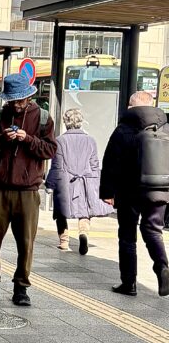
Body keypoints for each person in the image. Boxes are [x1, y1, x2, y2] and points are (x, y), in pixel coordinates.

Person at [0, 72, 57, 306]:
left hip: (28, 191)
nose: (17, 105)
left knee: (26, 242)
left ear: (29, 97)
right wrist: (2, 138)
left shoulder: (43, 118)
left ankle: (21, 287)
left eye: (21, 100)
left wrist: (28, 139)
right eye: (13, 100)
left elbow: (50, 150)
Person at [100, 90, 169, 296]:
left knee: (127, 236)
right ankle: (162, 267)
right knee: (153, 230)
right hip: (158, 188)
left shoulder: (124, 128)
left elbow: (111, 161)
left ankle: (129, 283)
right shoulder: (165, 127)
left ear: (131, 106)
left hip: (128, 190)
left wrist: (107, 191)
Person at [45, 108, 111, 254]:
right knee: (84, 211)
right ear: (81, 122)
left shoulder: (60, 141)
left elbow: (57, 165)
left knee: (61, 212)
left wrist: (50, 183)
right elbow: (94, 165)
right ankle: (83, 234)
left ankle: (64, 242)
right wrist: (97, 184)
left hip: (65, 182)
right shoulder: (90, 140)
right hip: (85, 182)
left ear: (65, 122)